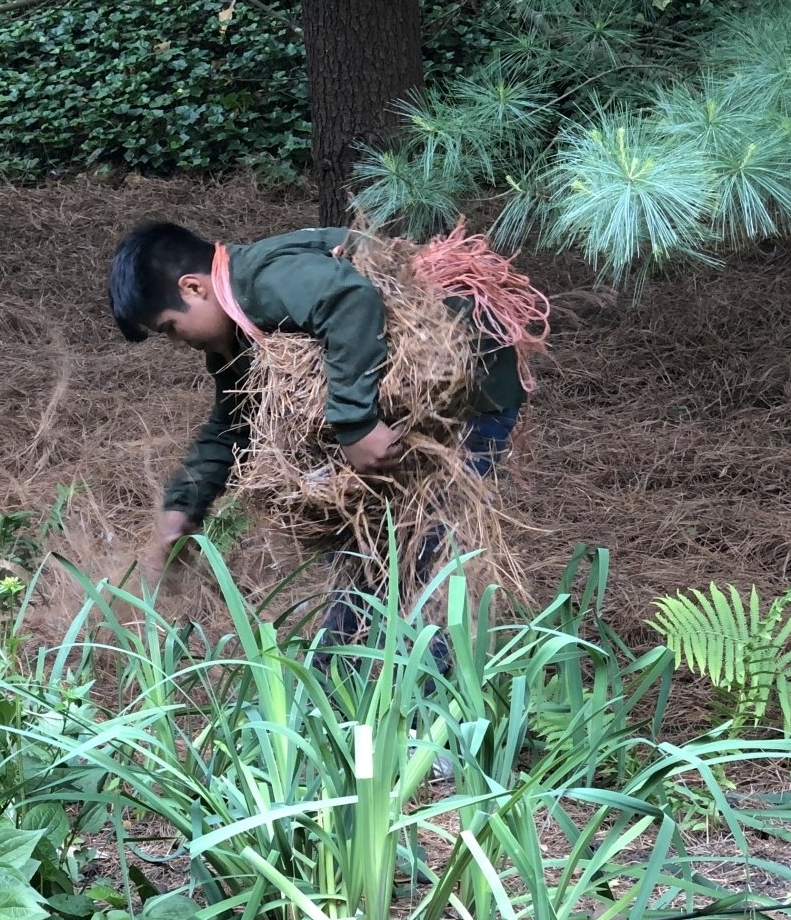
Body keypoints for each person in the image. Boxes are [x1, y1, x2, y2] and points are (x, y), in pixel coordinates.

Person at [107, 221, 527, 623]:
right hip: (412, 410)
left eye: (172, 329)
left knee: (429, 546)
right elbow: (235, 418)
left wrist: (355, 424)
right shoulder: (235, 329)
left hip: (469, 389)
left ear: (193, 288)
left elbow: (349, 300)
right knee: (366, 551)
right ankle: (345, 676)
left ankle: (431, 682)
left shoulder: (262, 282)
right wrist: (184, 505)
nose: (181, 343)